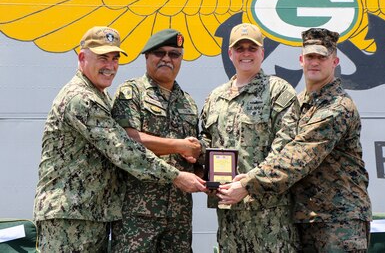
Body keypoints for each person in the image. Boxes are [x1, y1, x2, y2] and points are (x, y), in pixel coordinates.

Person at [33, 26, 206, 252]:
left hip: (91, 213)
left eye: (115, 58)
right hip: (70, 213)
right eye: (103, 58)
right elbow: (123, 149)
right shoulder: (81, 98)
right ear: (82, 57)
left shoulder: (100, 96)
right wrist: (175, 176)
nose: (110, 65)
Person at [218, 28, 372, 252]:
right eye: (310, 56)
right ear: (301, 60)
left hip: (339, 221)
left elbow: (297, 158)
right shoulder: (301, 102)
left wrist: (247, 184)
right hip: (306, 217)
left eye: (322, 57)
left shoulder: (337, 107)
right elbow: (281, 148)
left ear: (335, 61)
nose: (315, 62)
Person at [200, 23, 300, 252]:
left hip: (269, 216)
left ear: (262, 53)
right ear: (230, 54)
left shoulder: (279, 92)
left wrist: (248, 185)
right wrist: (202, 170)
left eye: (252, 48)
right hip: (229, 216)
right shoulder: (215, 97)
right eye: (240, 48)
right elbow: (207, 143)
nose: (246, 53)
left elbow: (285, 152)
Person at [110, 29, 202, 252]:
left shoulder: (188, 102)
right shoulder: (131, 92)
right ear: (147, 57)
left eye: (174, 54)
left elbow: (191, 155)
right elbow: (128, 140)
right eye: (159, 53)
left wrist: (202, 171)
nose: (167, 59)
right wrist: (179, 145)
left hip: (178, 215)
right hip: (137, 215)